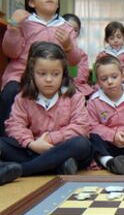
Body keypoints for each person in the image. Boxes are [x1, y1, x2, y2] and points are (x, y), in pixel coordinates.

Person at [0, 42, 91, 185]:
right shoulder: (23, 97)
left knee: (82, 144)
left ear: (63, 74)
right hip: (33, 149)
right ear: (32, 73)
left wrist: (50, 139)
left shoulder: (74, 97)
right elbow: (14, 125)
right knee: (2, 144)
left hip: (62, 148)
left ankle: (24, 170)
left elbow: (81, 127)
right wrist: (31, 143)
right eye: (42, 74)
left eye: (55, 74)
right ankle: (56, 166)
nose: (49, 79)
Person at [0, 0, 81, 136]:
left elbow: (74, 61)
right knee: (9, 92)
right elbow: (10, 52)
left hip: (55, 79)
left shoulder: (67, 27)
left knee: (73, 94)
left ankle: (57, 139)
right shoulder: (24, 23)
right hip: (21, 75)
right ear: (31, 2)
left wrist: (68, 46)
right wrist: (13, 26)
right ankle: (7, 140)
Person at [96, 21, 124, 89]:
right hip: (108, 80)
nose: (115, 40)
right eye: (112, 38)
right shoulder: (102, 54)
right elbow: (98, 69)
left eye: (119, 37)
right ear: (107, 40)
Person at [62, 13, 94, 97]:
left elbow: (83, 75)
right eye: (67, 28)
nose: (71, 32)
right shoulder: (53, 50)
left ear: (78, 33)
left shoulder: (81, 54)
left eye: (75, 30)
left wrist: (70, 80)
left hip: (77, 86)